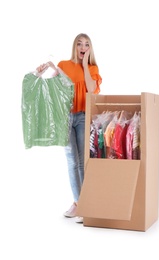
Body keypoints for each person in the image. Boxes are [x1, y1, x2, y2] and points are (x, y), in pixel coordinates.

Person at [36, 33, 102, 223]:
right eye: (80, 44)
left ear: (90, 49)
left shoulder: (92, 68)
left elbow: (91, 89)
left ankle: (86, 203)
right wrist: (44, 71)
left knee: (83, 161)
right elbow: (54, 86)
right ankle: (78, 203)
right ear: (75, 46)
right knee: (72, 160)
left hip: (82, 117)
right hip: (65, 117)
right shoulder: (64, 65)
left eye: (86, 45)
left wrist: (85, 64)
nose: (83, 47)